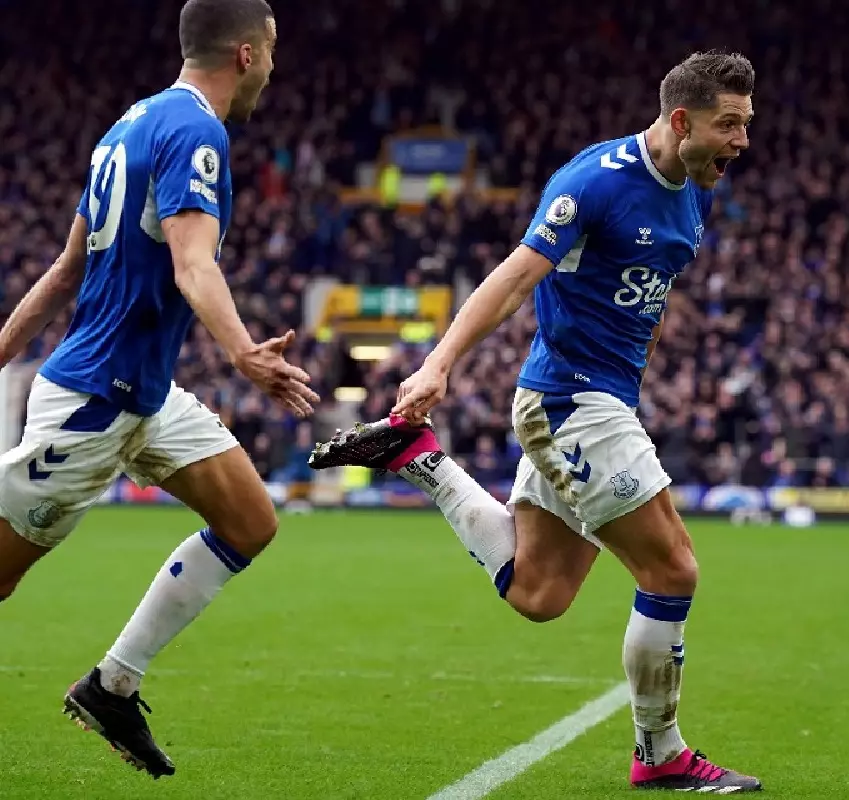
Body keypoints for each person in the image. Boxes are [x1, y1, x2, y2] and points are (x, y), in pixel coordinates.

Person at [309, 51, 762, 793]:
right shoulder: (596, 181)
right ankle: (660, 754)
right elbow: (517, 275)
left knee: (539, 594)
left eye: (746, 123)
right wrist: (438, 364)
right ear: (681, 121)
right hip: (573, 401)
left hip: (598, 398)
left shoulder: (696, 190)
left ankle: (421, 458)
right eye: (729, 124)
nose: (743, 140)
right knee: (673, 567)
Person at [0, 0, 316, 779]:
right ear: (245, 54)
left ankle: (112, 685)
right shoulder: (197, 132)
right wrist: (243, 352)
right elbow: (194, 263)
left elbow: (64, 270)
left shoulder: (128, 126)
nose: (273, 71)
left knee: (249, 519)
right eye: (271, 54)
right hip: (91, 401)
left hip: (145, 394)